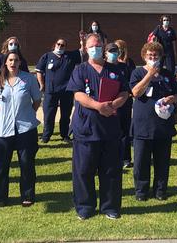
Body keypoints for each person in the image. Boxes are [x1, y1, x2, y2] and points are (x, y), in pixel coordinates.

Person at [67, 33, 129, 220]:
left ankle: (110, 207)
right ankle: (85, 207)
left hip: (109, 130)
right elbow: (78, 95)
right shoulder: (80, 70)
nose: (96, 48)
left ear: (103, 46)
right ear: (86, 49)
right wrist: (98, 106)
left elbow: (125, 93)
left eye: (99, 45)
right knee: (83, 170)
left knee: (110, 171)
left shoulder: (115, 70)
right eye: (92, 46)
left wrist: (113, 105)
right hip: (86, 129)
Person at [130, 42, 177, 201]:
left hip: (163, 124)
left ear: (160, 57)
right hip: (143, 124)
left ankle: (160, 190)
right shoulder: (137, 72)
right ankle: (141, 192)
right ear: (144, 56)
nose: (153, 58)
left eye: (156, 56)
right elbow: (136, 92)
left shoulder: (167, 74)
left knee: (162, 161)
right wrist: (150, 74)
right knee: (141, 162)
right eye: (150, 56)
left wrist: (173, 98)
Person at [0, 51, 41, 207]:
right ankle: (0, 198)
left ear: (20, 62)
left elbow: (37, 100)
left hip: (25, 129)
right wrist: (6, 116)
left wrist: (26, 114)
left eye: (16, 60)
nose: (13, 63)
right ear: (5, 62)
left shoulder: (28, 79)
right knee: (2, 165)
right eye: (10, 60)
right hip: (3, 130)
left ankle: (27, 195)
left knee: (26, 164)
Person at [36, 38, 82, 144]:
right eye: (59, 44)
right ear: (55, 44)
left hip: (67, 90)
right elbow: (39, 71)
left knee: (65, 114)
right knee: (49, 114)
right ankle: (46, 136)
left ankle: (64, 135)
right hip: (50, 91)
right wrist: (42, 84)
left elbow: (82, 51)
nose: (60, 46)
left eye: (63, 45)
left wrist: (82, 41)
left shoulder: (69, 56)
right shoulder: (47, 56)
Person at [113, 40, 136, 168]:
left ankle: (126, 159)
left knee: (124, 131)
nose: (117, 51)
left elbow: (132, 81)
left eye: (119, 48)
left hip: (125, 101)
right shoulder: (109, 64)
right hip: (112, 101)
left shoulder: (129, 63)